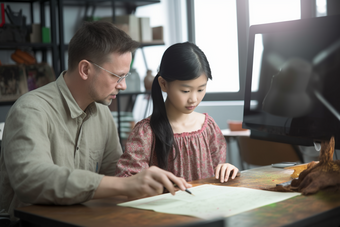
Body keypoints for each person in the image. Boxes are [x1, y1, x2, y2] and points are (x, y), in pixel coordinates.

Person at [0, 21, 191, 224]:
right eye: (117, 76)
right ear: (85, 69)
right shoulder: (30, 109)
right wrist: (126, 186)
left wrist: (145, 183)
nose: (124, 85)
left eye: (125, 76)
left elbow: (115, 176)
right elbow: (32, 180)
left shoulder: (103, 113)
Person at [116, 42, 239, 182]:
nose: (193, 99)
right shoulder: (146, 133)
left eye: (200, 89)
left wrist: (227, 170)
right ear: (163, 84)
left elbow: (218, 173)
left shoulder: (208, 128)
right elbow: (127, 180)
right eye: (185, 91)